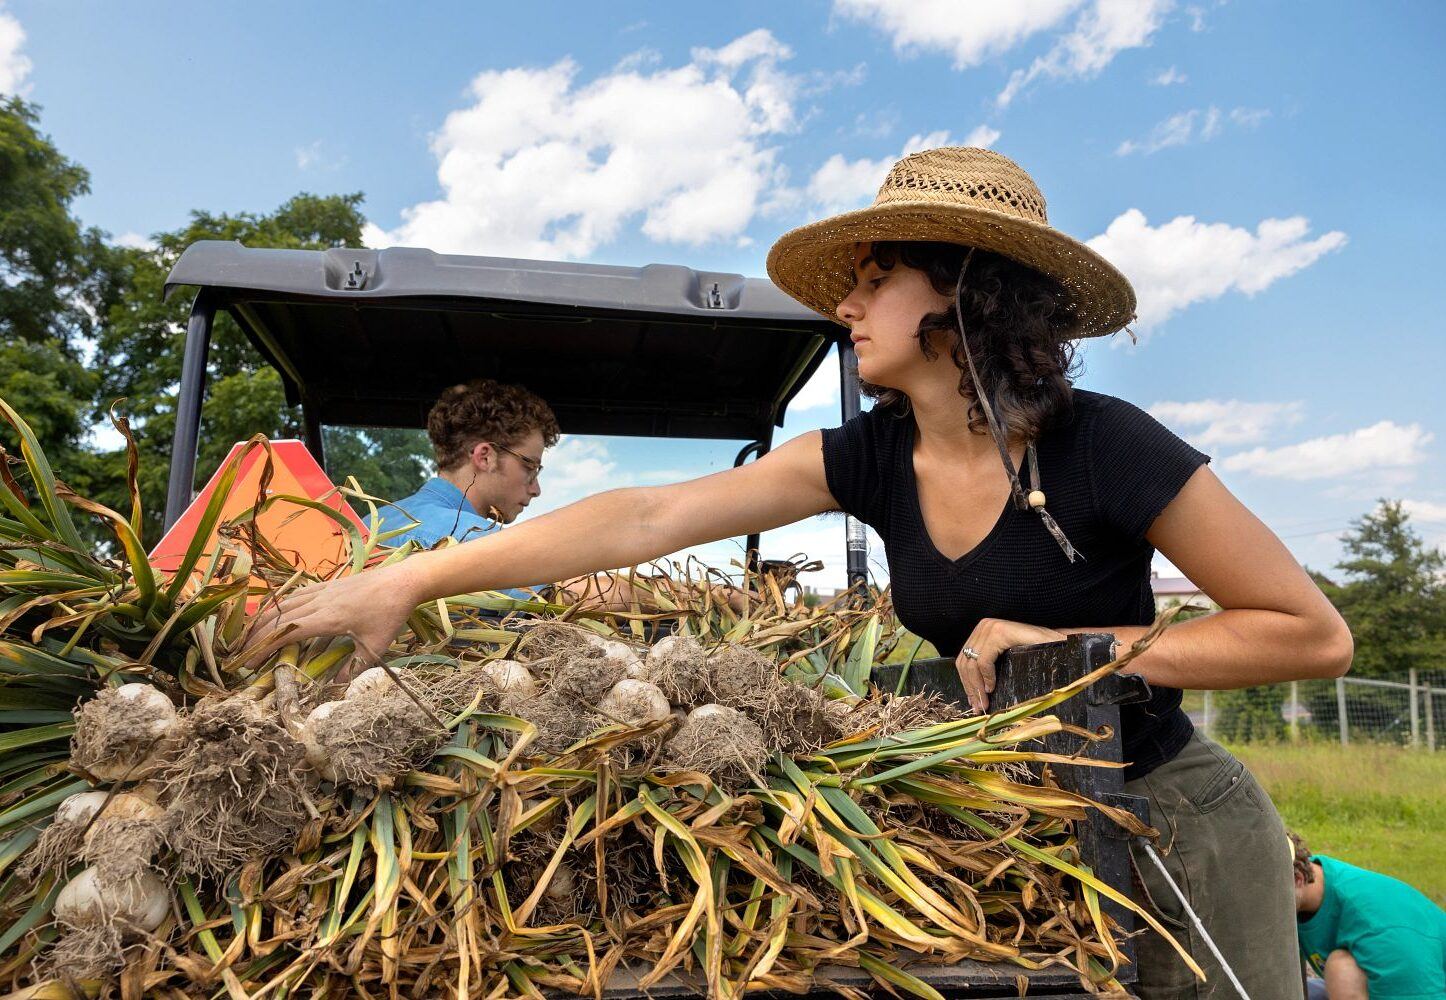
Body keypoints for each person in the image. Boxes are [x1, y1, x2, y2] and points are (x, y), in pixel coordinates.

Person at [245, 147, 1354, 998]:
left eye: (876, 281)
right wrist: (409, 581)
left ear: (964, 291)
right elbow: (649, 512)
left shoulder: (1105, 443)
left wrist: (1079, 653)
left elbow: (1308, 632)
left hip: (1173, 815)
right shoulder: (872, 455)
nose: (847, 306)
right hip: (1022, 809)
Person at [376, 379, 558, 549]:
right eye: (530, 466)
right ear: (485, 457)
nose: (536, 490)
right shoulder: (474, 540)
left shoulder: (371, 522)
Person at [1291, 832, 1446, 999]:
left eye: (1263, 895)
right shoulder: (1313, 879)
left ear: (1298, 879)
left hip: (1413, 986)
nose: (1260, 908)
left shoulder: (1380, 931)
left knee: (1342, 971)